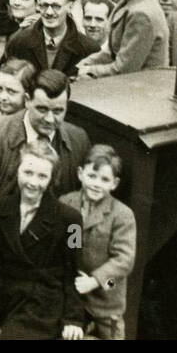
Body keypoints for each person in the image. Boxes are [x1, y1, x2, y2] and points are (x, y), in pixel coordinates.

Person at [0, 140, 84, 339]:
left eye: (42, 176)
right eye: (27, 173)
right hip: (2, 300)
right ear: (17, 171)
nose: (33, 182)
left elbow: (75, 271)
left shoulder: (72, 219)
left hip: (43, 303)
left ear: (51, 179)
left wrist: (74, 318)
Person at [0, 65, 91, 209]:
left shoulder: (79, 140)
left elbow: (80, 201)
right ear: (27, 100)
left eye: (58, 111)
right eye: (42, 109)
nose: (49, 119)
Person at [58, 143, 137, 340]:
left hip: (107, 293)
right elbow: (70, 244)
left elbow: (124, 260)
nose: (96, 184)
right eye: (92, 176)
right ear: (80, 174)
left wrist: (94, 281)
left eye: (104, 179)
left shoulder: (122, 215)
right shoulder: (68, 203)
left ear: (114, 184)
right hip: (74, 294)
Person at [75, 0, 169, 78]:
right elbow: (111, 52)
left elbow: (124, 69)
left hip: (141, 87)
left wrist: (89, 70)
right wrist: (82, 65)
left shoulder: (142, 14)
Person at [6, 0, 100, 76]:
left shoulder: (88, 48)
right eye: (44, 5)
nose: (49, 12)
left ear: (70, 7)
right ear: (38, 5)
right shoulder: (19, 43)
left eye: (56, 6)